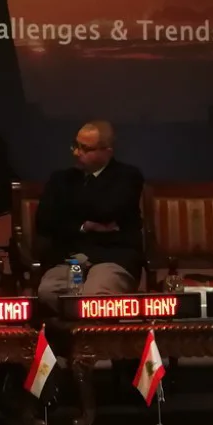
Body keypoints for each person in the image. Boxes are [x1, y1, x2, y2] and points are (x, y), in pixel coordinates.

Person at [36, 120, 145, 312]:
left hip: (112, 257)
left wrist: (68, 212)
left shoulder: (127, 176)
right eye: (76, 145)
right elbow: (44, 221)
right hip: (70, 258)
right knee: (48, 292)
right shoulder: (60, 179)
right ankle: (71, 332)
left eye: (85, 148)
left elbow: (108, 210)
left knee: (95, 299)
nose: (76, 153)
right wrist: (85, 226)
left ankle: (92, 332)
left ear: (107, 151)